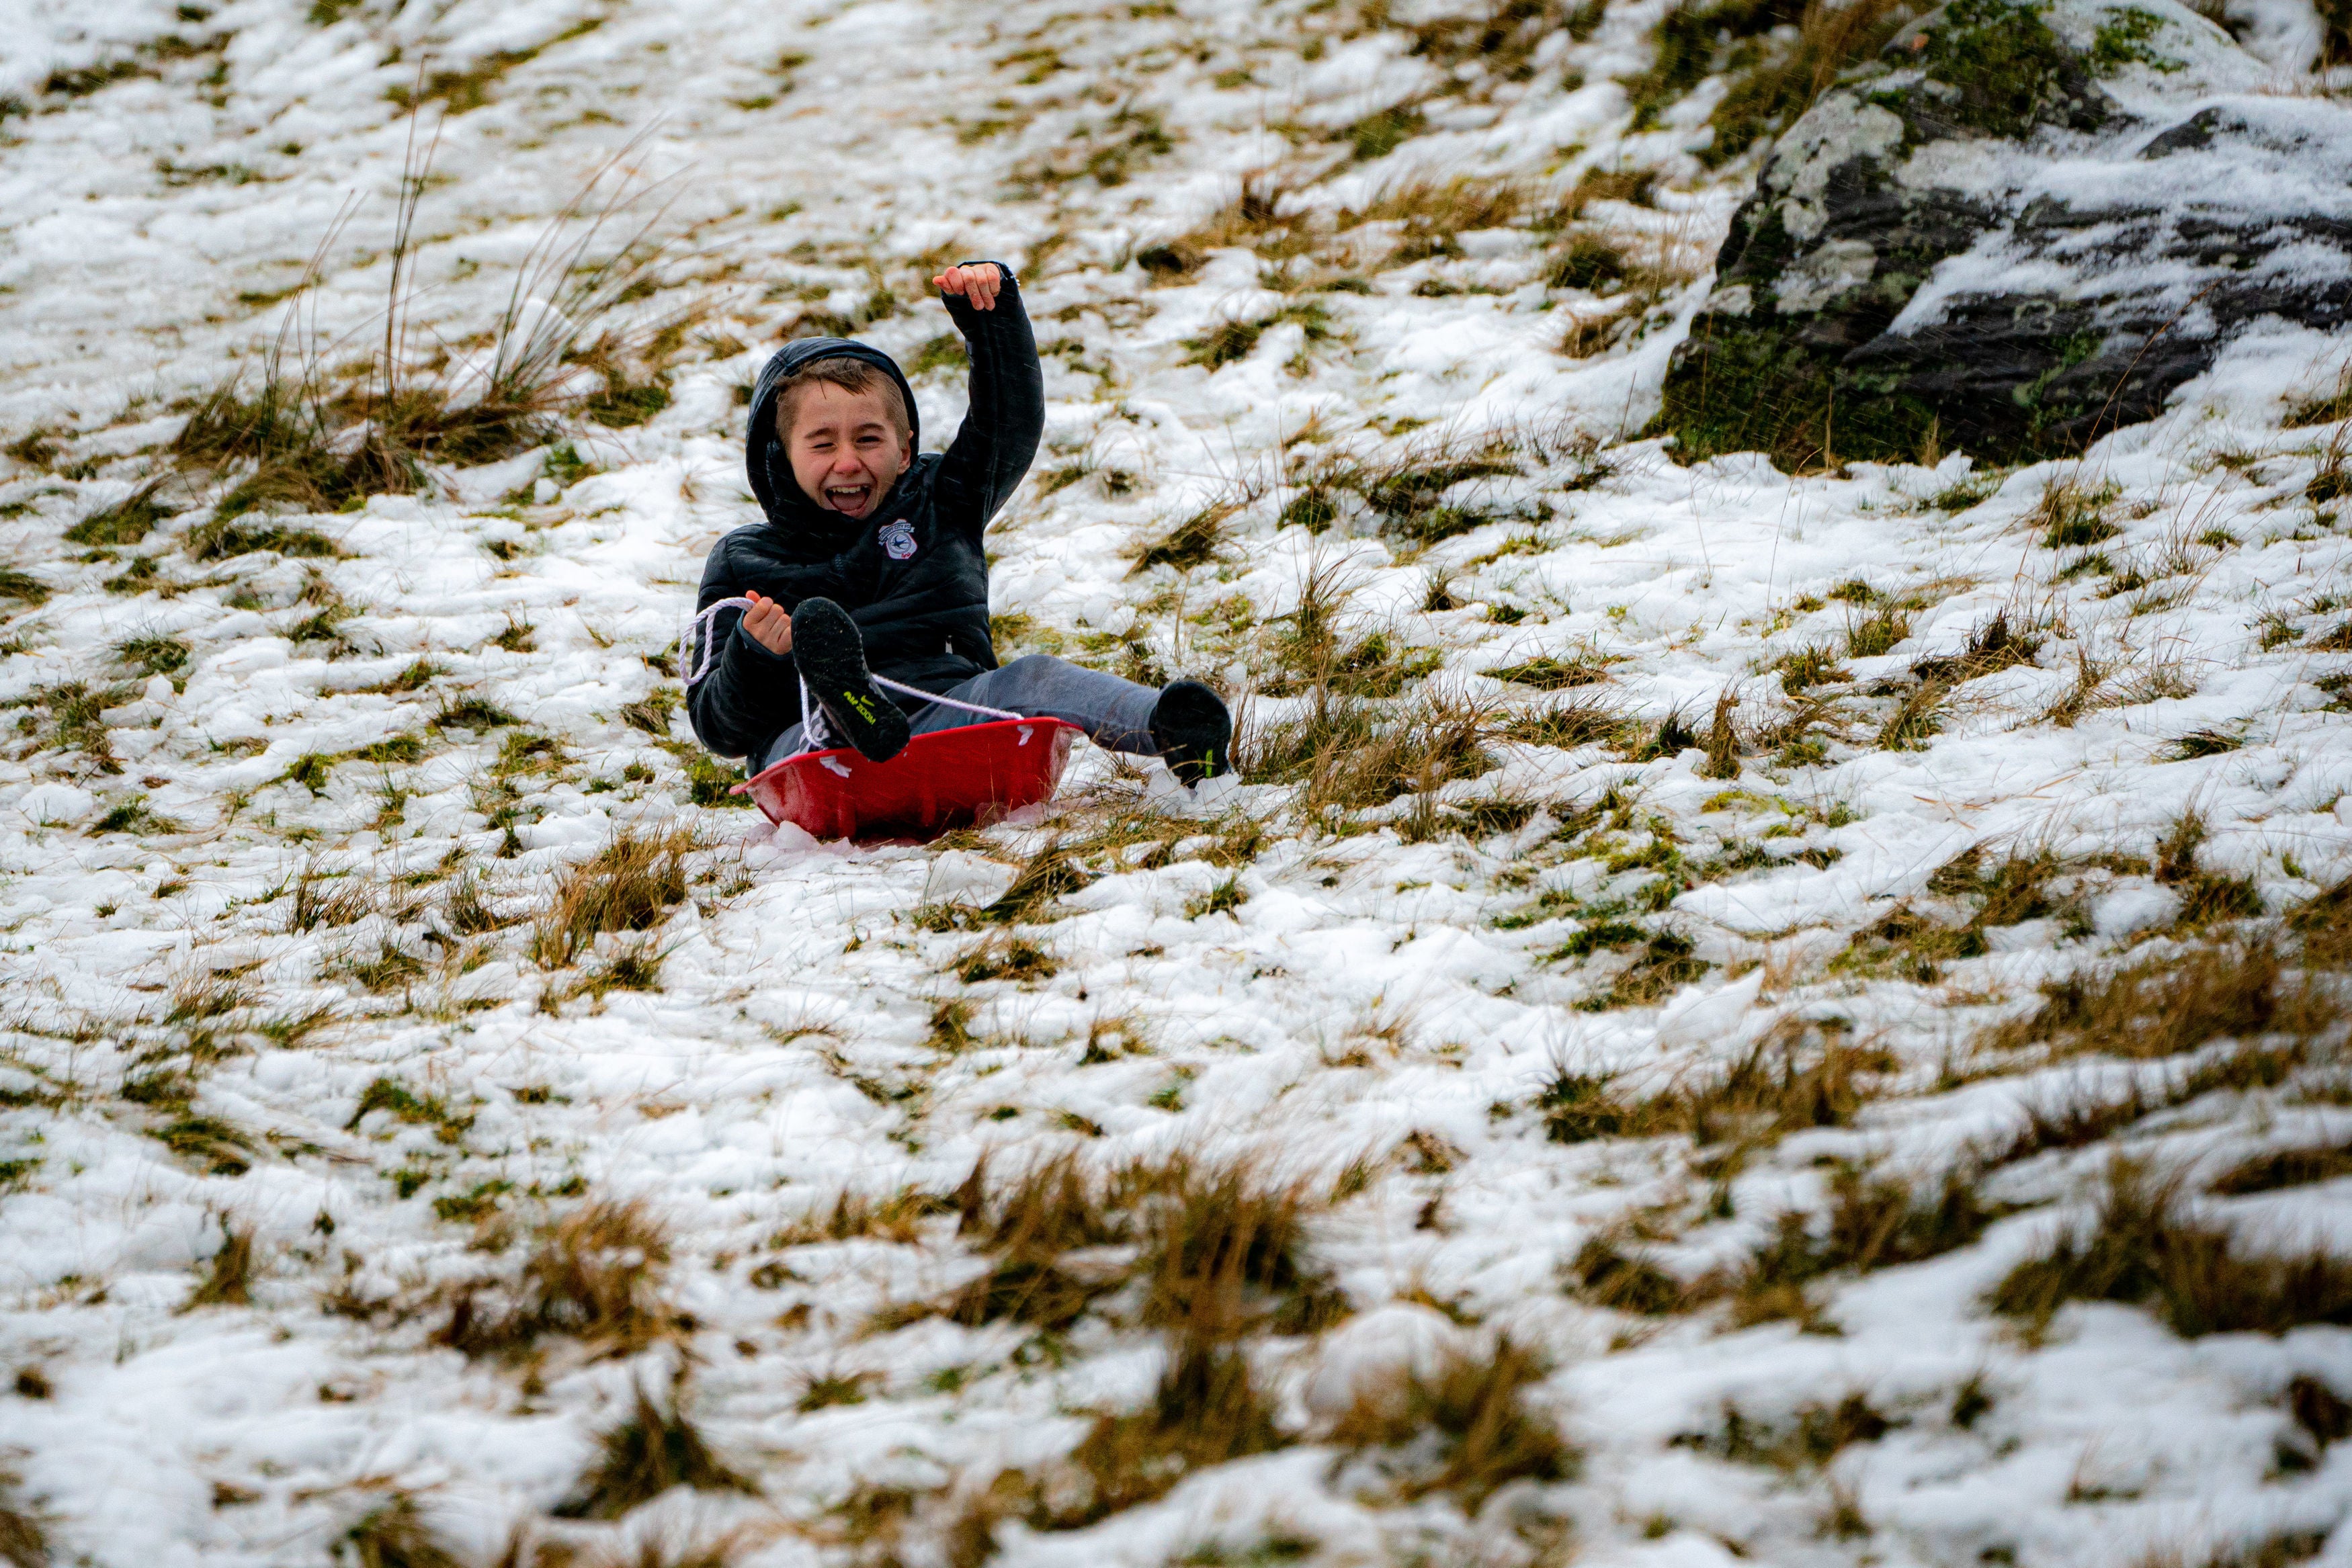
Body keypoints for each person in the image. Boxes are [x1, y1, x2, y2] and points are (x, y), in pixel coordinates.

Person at [684, 259, 1232, 788]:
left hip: (952, 719)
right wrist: (753, 656)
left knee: (1033, 677)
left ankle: (1173, 728)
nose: (848, 462)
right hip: (817, 760)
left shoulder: (940, 500)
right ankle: (842, 709)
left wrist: (991, 322)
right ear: (782, 457)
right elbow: (719, 728)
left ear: (905, 451)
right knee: (800, 735)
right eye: (823, 444)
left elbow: (1008, 428)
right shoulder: (744, 560)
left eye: (869, 439)